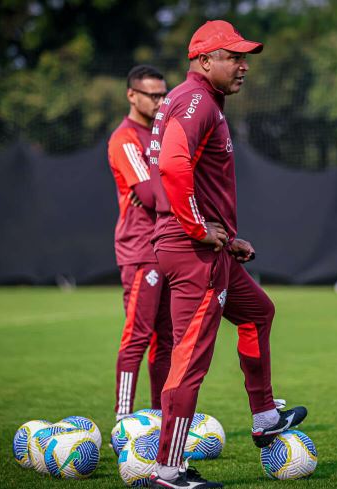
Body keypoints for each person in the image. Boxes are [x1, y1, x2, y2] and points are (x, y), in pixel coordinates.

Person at [146, 21, 307, 488]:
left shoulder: (197, 100)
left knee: (259, 312)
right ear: (203, 61)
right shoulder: (196, 101)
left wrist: (225, 237)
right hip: (191, 250)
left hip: (204, 247)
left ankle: (263, 416)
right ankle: (168, 471)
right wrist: (200, 229)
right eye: (233, 57)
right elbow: (172, 166)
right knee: (189, 360)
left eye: (245, 58)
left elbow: (184, 172)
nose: (243, 66)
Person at [106, 65, 173, 421]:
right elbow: (148, 196)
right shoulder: (125, 138)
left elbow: (160, 188)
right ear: (132, 95)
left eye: (164, 94)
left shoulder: (161, 135)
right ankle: (123, 420)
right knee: (138, 335)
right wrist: (165, 187)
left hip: (167, 248)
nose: (161, 101)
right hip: (140, 251)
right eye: (153, 95)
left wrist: (162, 187)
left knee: (167, 340)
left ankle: (160, 417)